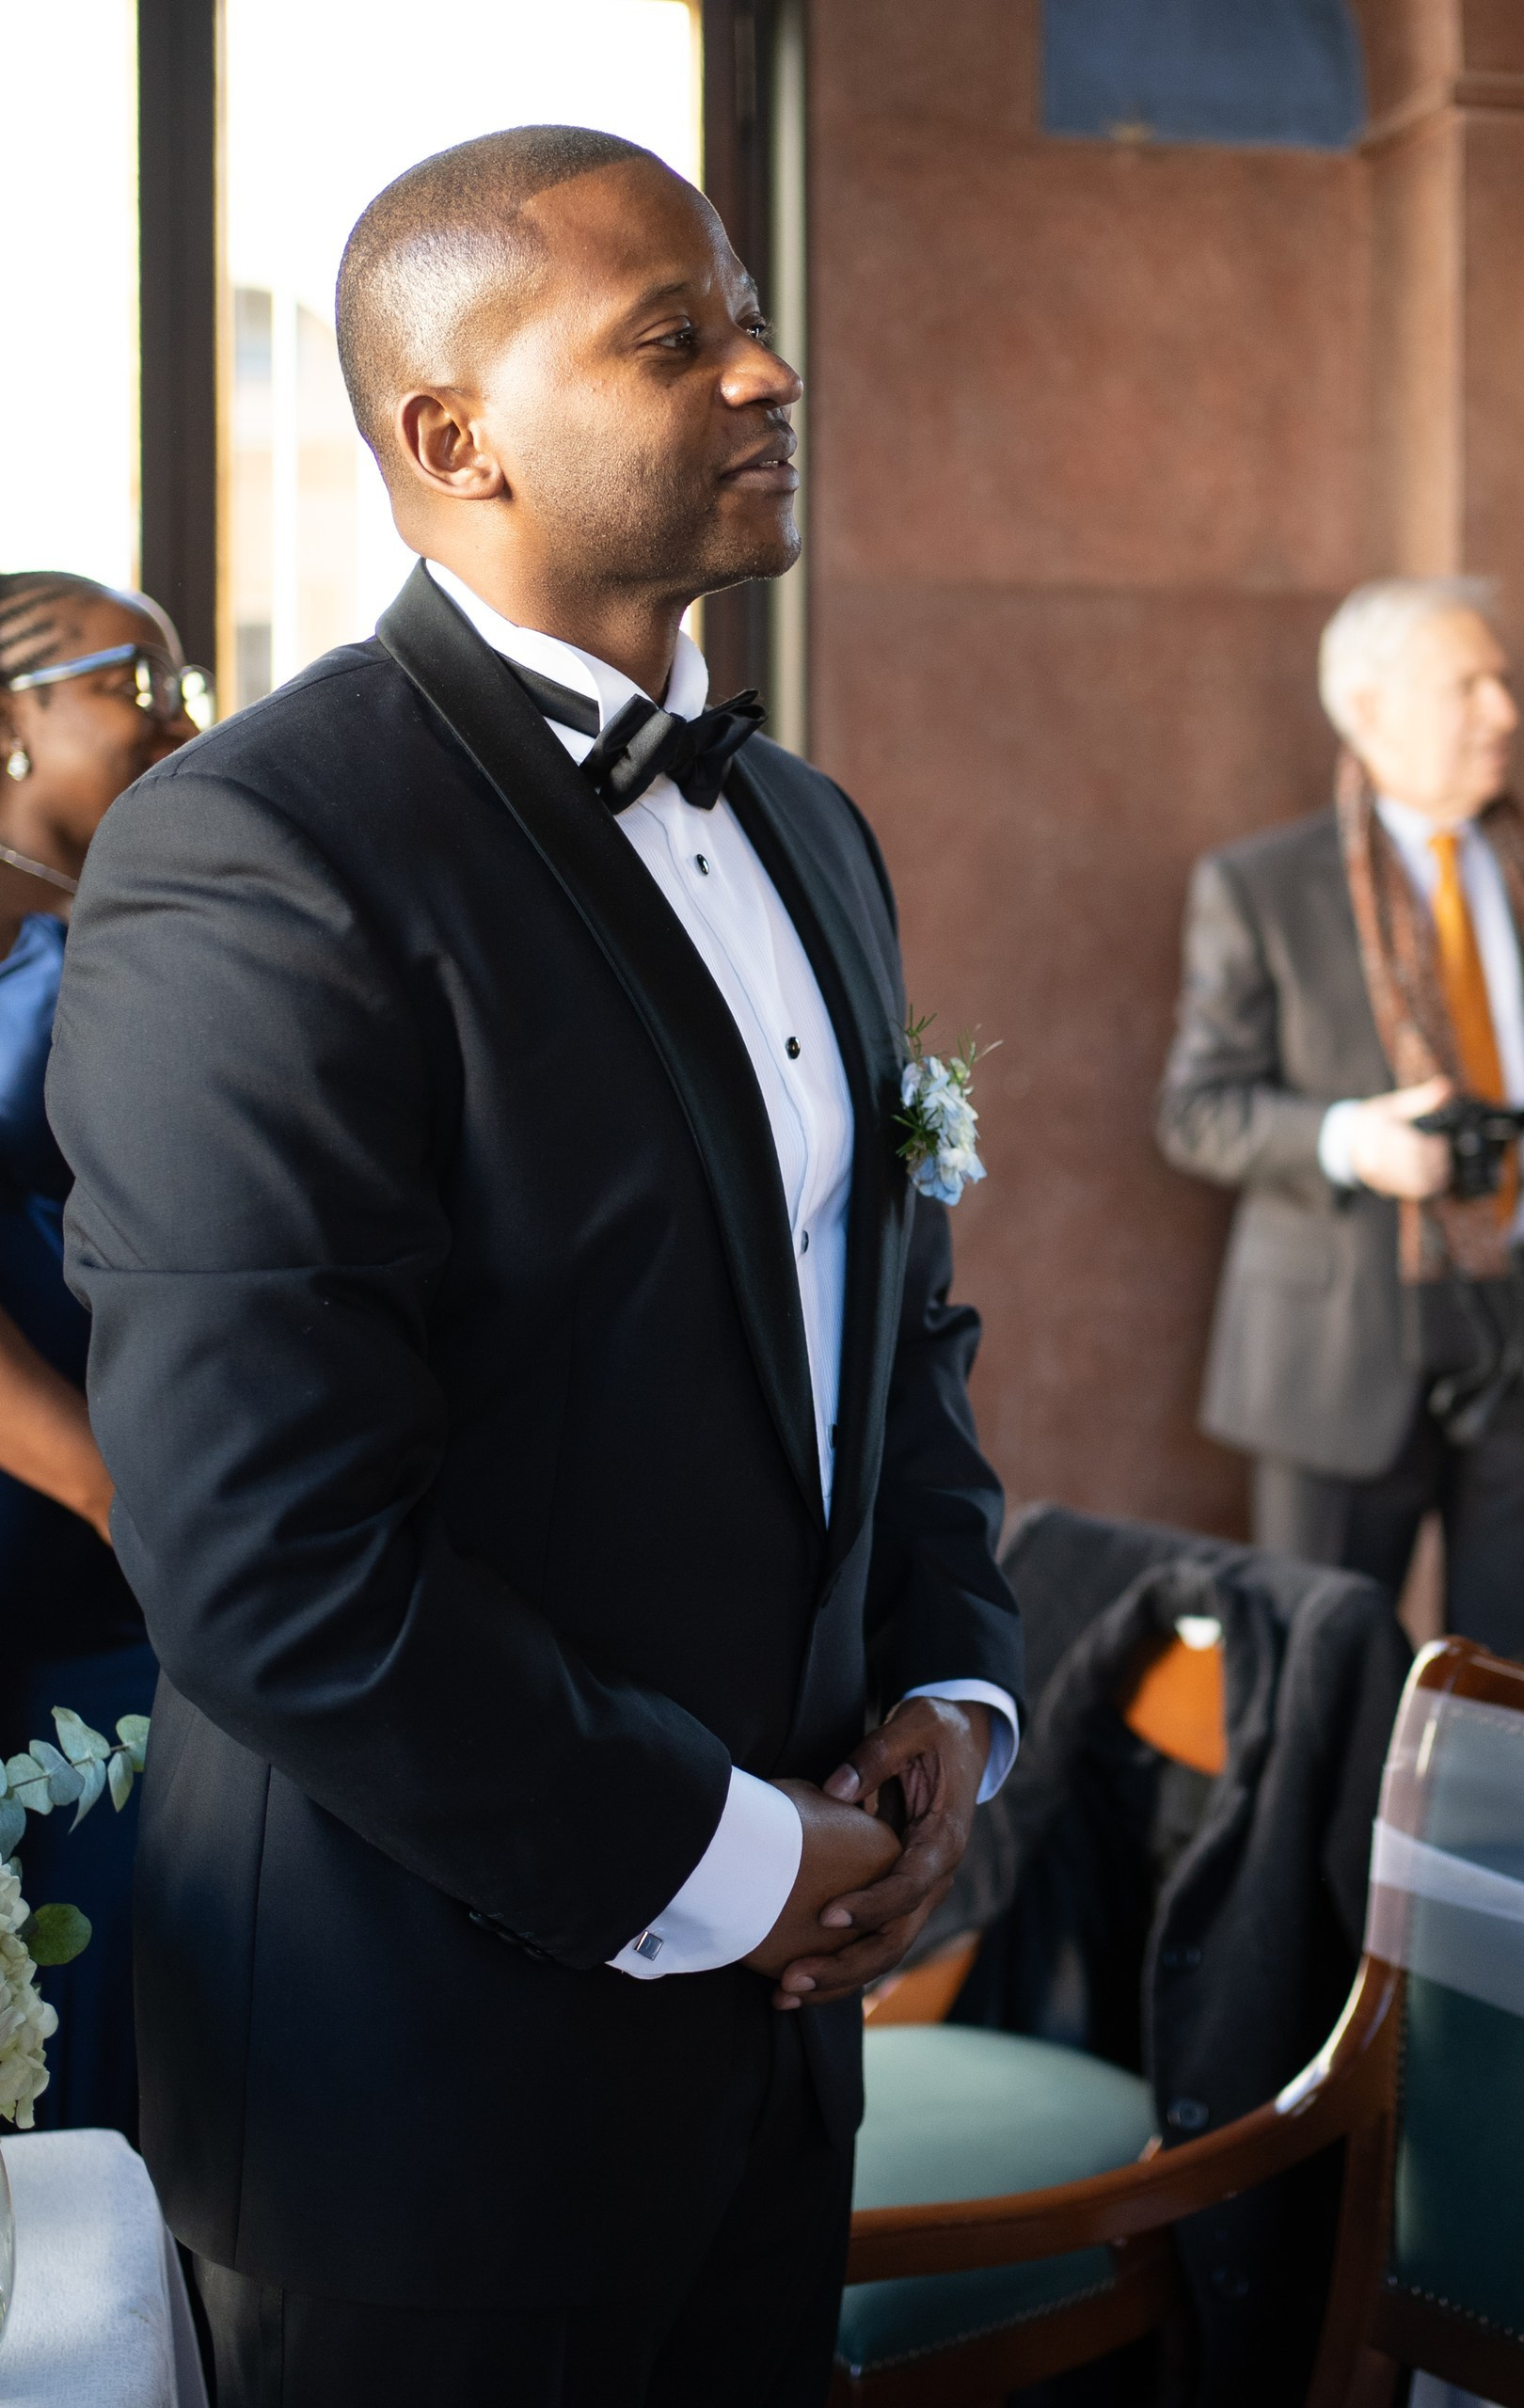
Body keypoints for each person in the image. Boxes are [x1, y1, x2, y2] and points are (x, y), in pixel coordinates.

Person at [47, 126, 1024, 2406]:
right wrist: (731, 1851)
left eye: (750, 316)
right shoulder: (256, 849)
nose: (769, 371)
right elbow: (266, 1553)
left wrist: (948, 1694)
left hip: (780, 2057)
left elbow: (886, 1334)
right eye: (674, 338)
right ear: (451, 436)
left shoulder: (809, 827)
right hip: (420, 2084)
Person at [1158, 576, 1524, 1659]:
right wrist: (1352, 1142)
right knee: (1316, 1674)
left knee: (1515, 1678)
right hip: (1340, 1347)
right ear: (1367, 710)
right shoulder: (1259, 885)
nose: (1502, 712)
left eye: (1500, 683)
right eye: (1465, 686)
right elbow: (1195, 1111)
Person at [0, 570, 200, 2133]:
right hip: (70, 1589)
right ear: (9, 722)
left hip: (145, 1595)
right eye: (136, 680)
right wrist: (127, 1506)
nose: (180, 720)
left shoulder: (111, 938)